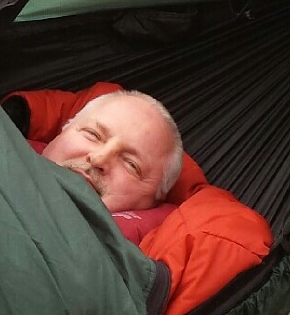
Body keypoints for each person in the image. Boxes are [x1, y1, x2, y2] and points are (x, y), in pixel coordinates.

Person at [23, 89, 183, 242]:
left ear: (153, 201)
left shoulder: (142, 266)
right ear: (63, 129)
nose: (99, 159)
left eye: (130, 164)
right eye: (92, 134)